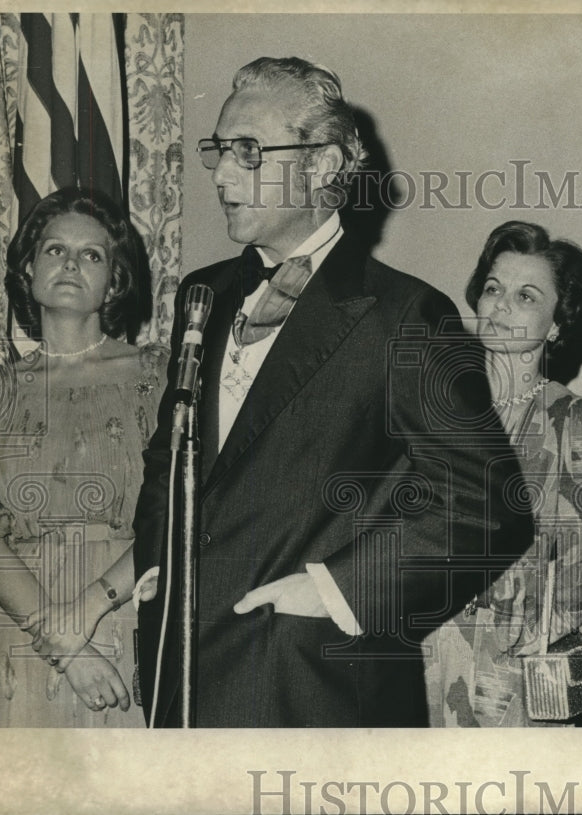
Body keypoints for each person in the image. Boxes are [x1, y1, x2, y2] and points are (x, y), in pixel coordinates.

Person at [132, 57, 528, 727]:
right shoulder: (203, 293)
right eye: (219, 150)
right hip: (185, 679)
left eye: (248, 151)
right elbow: (172, 458)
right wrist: (158, 558)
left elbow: (489, 503)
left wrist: (339, 589)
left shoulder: (404, 315)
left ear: (322, 165)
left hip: (309, 692)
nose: (222, 174)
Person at [423, 221, 582, 727]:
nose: (501, 305)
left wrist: (517, 632)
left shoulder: (577, 424)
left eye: (526, 296)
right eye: (493, 288)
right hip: (416, 651)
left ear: (556, 323)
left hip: (513, 669)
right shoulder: (430, 407)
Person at [0, 187, 163, 726]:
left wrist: (86, 613)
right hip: (19, 631)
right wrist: (60, 641)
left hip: (126, 615)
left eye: (92, 254)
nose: (70, 264)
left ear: (115, 280)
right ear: (28, 269)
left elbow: (180, 512)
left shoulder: (160, 376)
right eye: (54, 250)